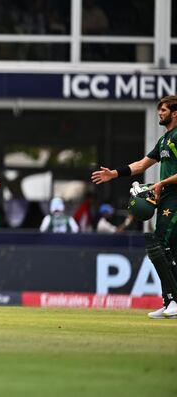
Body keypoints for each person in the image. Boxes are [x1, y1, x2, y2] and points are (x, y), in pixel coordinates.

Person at [91, 95, 177, 319]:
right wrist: (114, 173)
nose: (160, 113)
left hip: (175, 197)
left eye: (164, 110)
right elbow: (141, 165)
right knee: (167, 248)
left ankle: (175, 299)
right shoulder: (165, 140)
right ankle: (170, 300)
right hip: (167, 197)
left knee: (159, 243)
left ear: (175, 113)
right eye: (159, 109)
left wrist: (161, 183)